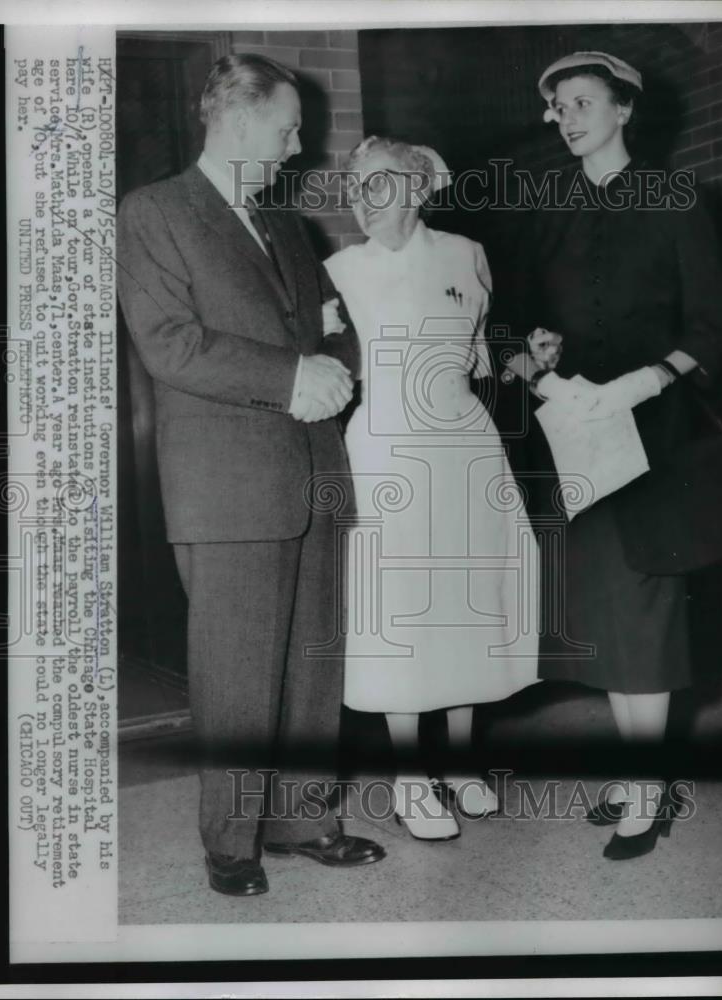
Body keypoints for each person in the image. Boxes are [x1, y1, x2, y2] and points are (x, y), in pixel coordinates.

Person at [116, 53, 385, 897]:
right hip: (226, 484)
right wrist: (292, 376)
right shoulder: (154, 212)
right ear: (236, 119)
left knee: (312, 665)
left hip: (312, 472)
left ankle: (303, 820)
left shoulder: (286, 225)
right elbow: (170, 344)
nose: (297, 145)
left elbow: (336, 332)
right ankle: (231, 843)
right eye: (286, 127)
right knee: (236, 673)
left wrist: (333, 366)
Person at [506, 51, 722, 859]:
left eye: (582, 102)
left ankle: (647, 786)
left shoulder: (676, 197)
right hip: (578, 436)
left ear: (623, 109)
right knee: (604, 614)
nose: (566, 117)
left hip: (658, 435)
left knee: (647, 614)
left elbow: (712, 325)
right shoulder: (549, 210)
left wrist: (646, 379)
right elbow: (519, 322)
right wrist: (537, 356)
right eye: (557, 105)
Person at [325, 137, 540, 841]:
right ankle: (410, 778)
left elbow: (481, 358)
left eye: (377, 183)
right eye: (354, 186)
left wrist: (528, 363)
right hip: (387, 448)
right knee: (403, 612)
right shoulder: (339, 271)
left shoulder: (465, 254)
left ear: (417, 189)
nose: (361, 198)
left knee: (465, 602)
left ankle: (461, 763)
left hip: (465, 447)